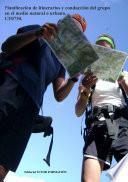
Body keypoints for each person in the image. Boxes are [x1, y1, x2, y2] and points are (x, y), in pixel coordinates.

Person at [0, 14, 86, 181]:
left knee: (4, 165)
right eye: (70, 26)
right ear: (61, 24)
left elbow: (59, 95)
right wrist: (38, 34)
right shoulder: (37, 30)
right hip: (9, 86)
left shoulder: (62, 60)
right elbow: (7, 46)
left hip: (29, 108)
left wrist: (73, 79)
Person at [75, 34, 128, 182]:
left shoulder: (124, 75)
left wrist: (122, 80)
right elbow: (78, 111)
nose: (102, 50)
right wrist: (85, 90)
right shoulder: (87, 79)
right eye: (99, 48)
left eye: (106, 48)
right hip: (99, 121)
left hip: (122, 122)